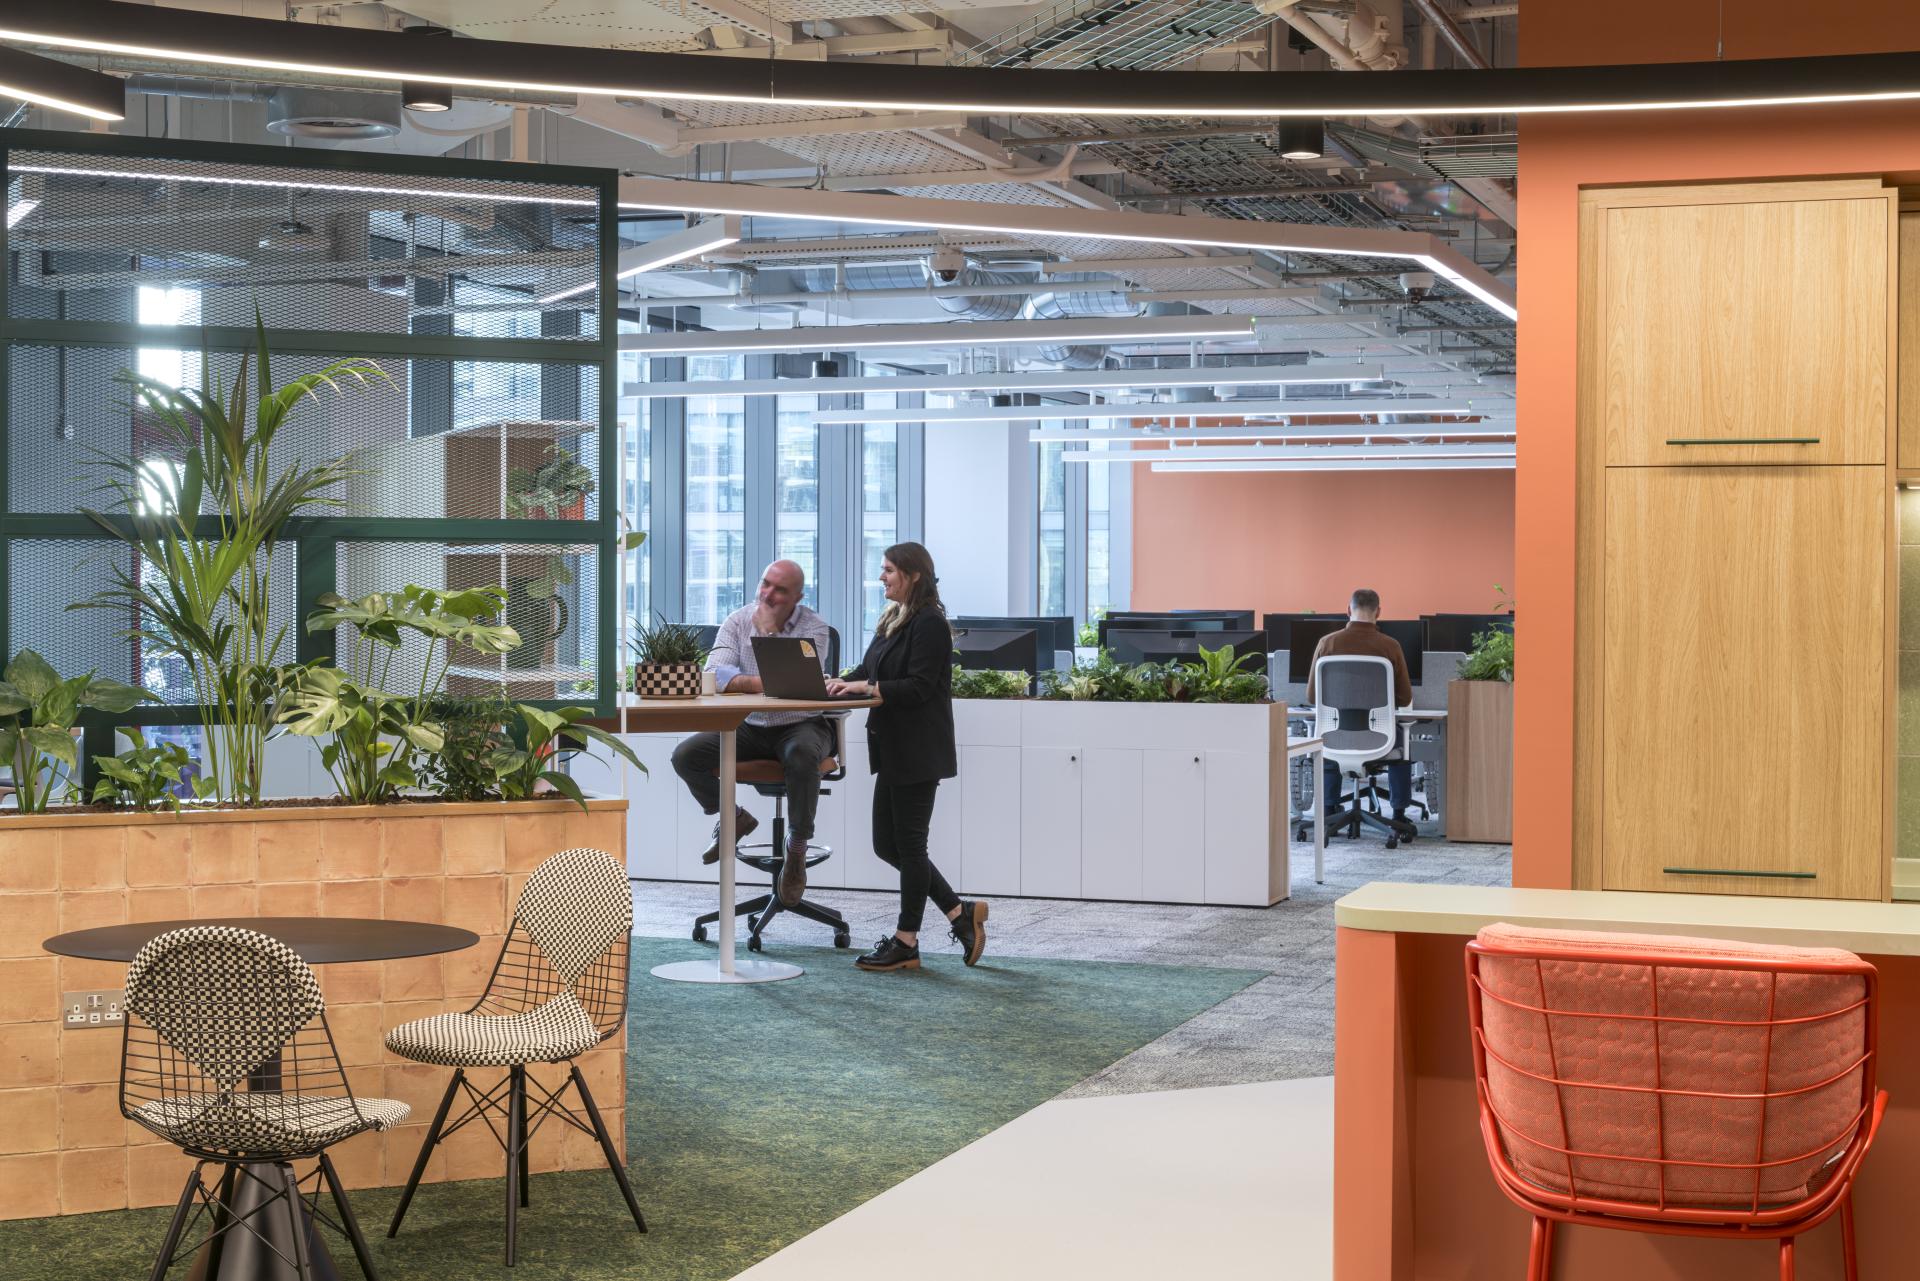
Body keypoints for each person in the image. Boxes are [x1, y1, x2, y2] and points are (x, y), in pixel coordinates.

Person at [826, 542, 989, 972]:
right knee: (888, 845)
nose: (881, 577)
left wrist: (866, 689)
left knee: (911, 846)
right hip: (893, 746)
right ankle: (959, 912)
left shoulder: (930, 622)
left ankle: (906, 942)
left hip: (918, 749)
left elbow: (918, 687)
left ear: (914, 574)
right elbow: (869, 671)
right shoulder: (894, 619)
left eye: (889, 570)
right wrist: (839, 681)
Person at [670, 560, 833, 908]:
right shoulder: (738, 620)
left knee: (802, 756)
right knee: (686, 757)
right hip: (751, 724)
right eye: (765, 584)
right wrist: (758, 682)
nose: (768, 594)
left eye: (780, 590)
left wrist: (769, 636)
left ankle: (797, 851)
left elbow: (797, 683)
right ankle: (734, 816)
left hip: (801, 724)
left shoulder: (815, 628)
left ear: (798, 597)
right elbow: (715, 674)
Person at [1305, 587, 1416, 840]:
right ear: (1379, 612)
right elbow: (1404, 698)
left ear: (1348, 610)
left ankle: (1329, 808)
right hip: (1379, 738)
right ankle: (1398, 815)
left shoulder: (1327, 643)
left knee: (1330, 738)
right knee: (1401, 737)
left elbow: (1312, 697)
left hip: (1334, 736)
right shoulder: (1390, 646)